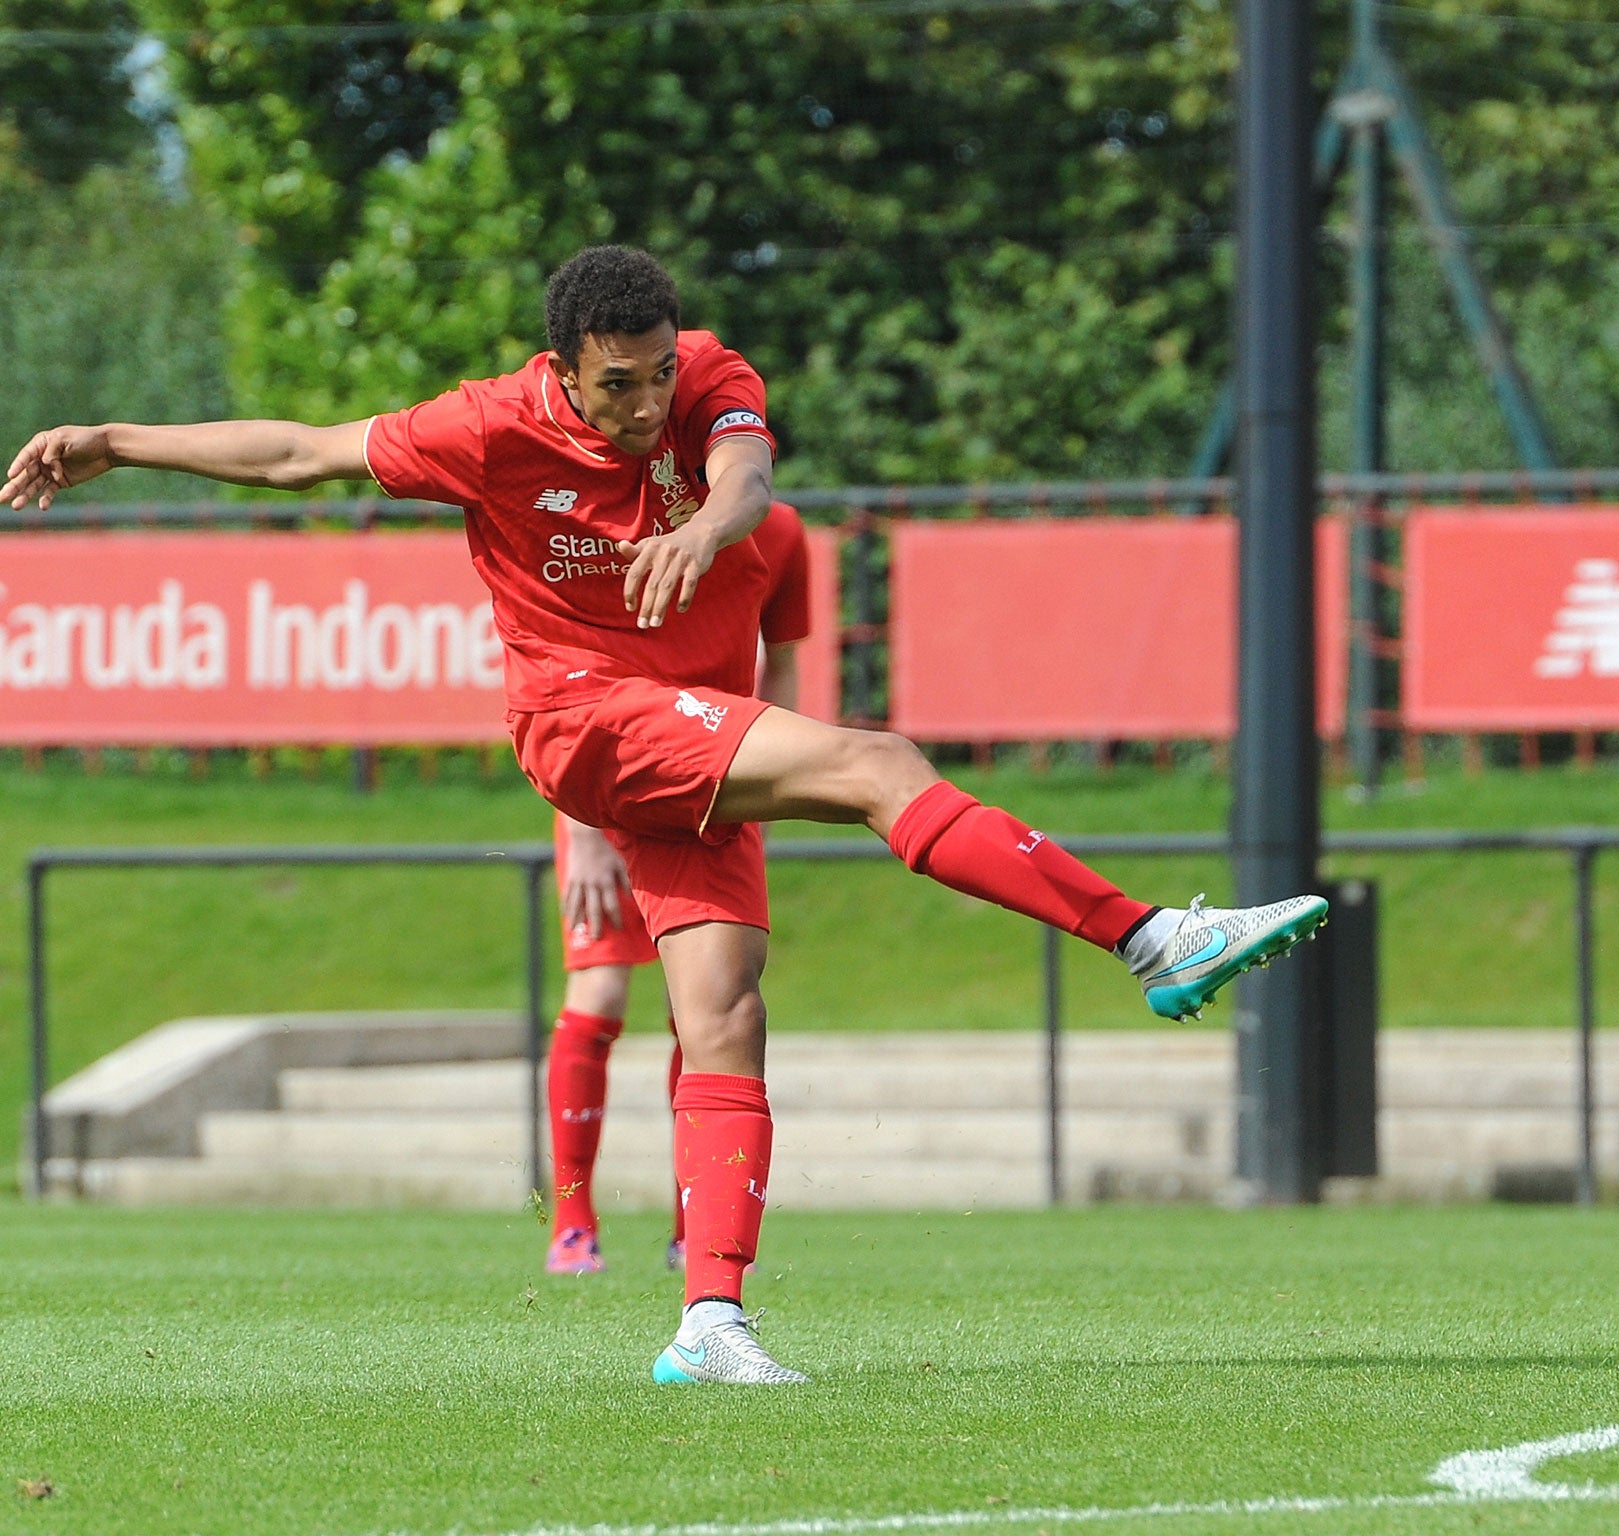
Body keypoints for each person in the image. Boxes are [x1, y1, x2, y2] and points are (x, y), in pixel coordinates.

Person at [2, 244, 1329, 1387]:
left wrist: (708, 529)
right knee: (878, 765)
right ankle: (1153, 940)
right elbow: (299, 452)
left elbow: (747, 479)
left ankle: (711, 1319)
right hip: (585, 718)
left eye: (656, 375)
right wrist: (113, 440)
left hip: (691, 730)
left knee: (725, 1008)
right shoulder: (485, 427)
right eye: (614, 384)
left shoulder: (710, 376)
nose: (646, 405)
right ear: (561, 369)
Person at [546, 499, 811, 1277]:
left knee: (702, 1012)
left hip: (713, 793)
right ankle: (571, 1222)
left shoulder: (783, 532)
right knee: (596, 999)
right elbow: (576, 681)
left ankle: (688, 1229)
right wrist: (583, 835)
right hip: (608, 792)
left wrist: (774, 785)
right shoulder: (624, 518)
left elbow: (783, 666)